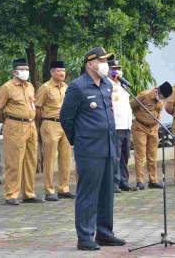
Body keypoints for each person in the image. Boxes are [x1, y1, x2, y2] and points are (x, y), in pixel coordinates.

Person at [60, 47, 126, 251]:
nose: (105, 64)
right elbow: (66, 118)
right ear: (90, 64)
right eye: (101, 60)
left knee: (107, 193)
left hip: (108, 146)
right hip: (89, 149)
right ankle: (85, 236)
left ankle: (104, 233)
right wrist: (79, 140)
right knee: (88, 193)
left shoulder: (107, 85)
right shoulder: (77, 87)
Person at [0, 58, 43, 206]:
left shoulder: (30, 86)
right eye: (22, 69)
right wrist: (8, 122)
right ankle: (11, 194)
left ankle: (28, 193)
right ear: (14, 71)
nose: (25, 72)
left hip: (31, 126)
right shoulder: (7, 87)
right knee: (14, 161)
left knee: (30, 160)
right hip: (15, 125)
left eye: (27, 69)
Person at [35, 60, 74, 201]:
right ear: (52, 72)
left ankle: (64, 188)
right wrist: (42, 124)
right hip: (50, 124)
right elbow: (38, 108)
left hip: (65, 125)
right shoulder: (45, 88)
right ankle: (49, 190)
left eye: (63, 71)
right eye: (58, 71)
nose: (62, 73)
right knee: (50, 158)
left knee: (66, 158)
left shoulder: (66, 87)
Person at [131, 82, 172, 190]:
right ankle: (140, 181)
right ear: (158, 91)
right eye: (162, 97)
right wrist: (140, 116)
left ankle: (153, 180)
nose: (162, 99)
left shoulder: (161, 100)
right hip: (140, 127)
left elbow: (158, 112)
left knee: (152, 155)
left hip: (153, 128)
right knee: (140, 155)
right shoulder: (144, 95)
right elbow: (132, 106)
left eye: (164, 98)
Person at [107, 56, 134, 193]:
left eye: (118, 69)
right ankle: (115, 183)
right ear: (108, 70)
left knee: (125, 156)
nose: (117, 71)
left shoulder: (123, 85)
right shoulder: (107, 85)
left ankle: (124, 181)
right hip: (116, 126)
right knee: (115, 156)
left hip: (126, 125)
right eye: (114, 69)